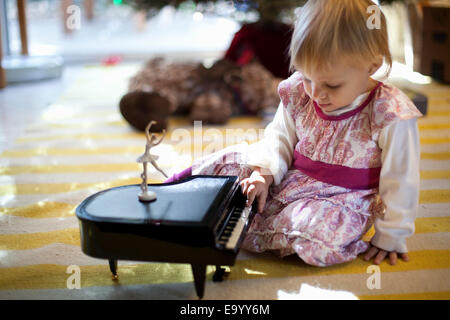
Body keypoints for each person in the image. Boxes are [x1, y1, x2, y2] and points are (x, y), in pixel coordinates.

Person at [165, 0, 422, 267]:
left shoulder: (389, 112)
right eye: (307, 77)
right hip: (288, 175)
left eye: (332, 85)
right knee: (234, 160)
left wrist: (392, 234)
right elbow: (280, 137)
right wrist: (264, 172)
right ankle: (177, 194)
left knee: (314, 232)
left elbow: (402, 179)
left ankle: (243, 218)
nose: (316, 93)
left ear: (372, 65)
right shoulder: (300, 91)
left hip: (337, 199)